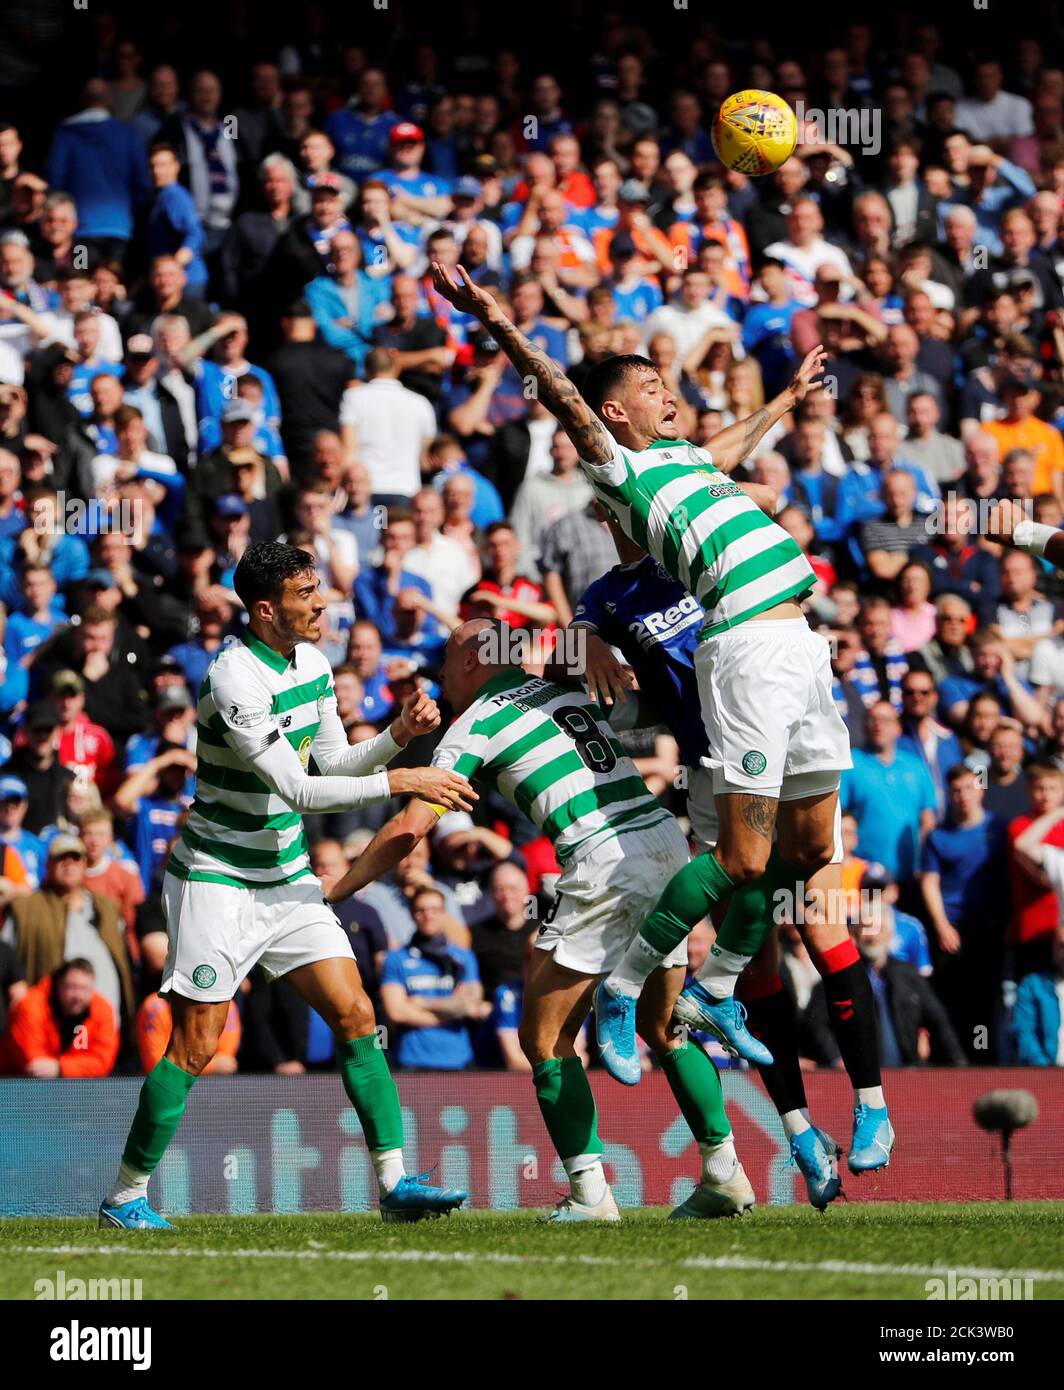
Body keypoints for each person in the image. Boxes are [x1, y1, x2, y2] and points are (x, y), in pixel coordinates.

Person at [428, 260, 890, 1175]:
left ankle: (744, 1019)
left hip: (801, 650)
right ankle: (670, 1018)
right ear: (616, 426)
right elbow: (562, 393)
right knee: (761, 881)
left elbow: (730, 446)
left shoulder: (686, 465)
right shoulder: (624, 482)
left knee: (803, 868)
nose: (665, 394)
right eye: (648, 387)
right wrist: (494, 315)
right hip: (740, 678)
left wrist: (788, 401)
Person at [97, 542, 476, 1230]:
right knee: (197, 1042)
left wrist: (395, 736)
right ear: (266, 609)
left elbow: (331, 759)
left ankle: (393, 1185)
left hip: (286, 876)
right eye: (306, 594)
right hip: (216, 877)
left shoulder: (312, 661)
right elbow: (299, 788)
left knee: (358, 1014)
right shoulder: (232, 679)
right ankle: (125, 1197)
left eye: (319, 589)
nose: (321, 603)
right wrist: (404, 778)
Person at [328, 617, 758, 1222]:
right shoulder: (558, 690)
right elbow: (573, 643)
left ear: (472, 664)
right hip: (663, 842)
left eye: (445, 666)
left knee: (544, 1037)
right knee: (663, 1027)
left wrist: (337, 889)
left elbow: (407, 830)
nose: (441, 679)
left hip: (606, 860)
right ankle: (725, 1172)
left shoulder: (474, 721)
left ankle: (591, 1196)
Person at [379, 885, 486, 1070]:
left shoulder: (463, 957)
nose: (428, 915)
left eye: (435, 910)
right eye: (421, 910)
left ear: (445, 914)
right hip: (412, 1060)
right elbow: (396, 1011)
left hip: (458, 1059)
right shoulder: (396, 958)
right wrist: (447, 1012)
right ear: (412, 914)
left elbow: (469, 1005)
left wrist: (421, 1002)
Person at [0, 957, 119, 1077]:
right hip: (16, 1085)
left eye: (85, 989)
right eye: (72, 987)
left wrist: (60, 1067)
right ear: (58, 984)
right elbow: (34, 1064)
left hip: (75, 1087)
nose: (78, 996)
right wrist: (76, 1067)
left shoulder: (103, 1010)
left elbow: (103, 1061)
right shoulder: (30, 1006)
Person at [1010, 923, 1064, 1065]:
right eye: (1062, 946)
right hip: (1047, 1074)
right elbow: (1024, 1031)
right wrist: (1044, 1071)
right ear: (1053, 948)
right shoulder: (1033, 986)